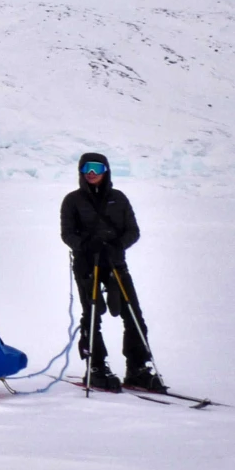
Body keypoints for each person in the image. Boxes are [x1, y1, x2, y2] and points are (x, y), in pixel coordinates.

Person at [60, 151, 162, 394]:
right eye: (87, 169)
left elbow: (133, 231)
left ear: (106, 170)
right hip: (88, 265)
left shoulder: (118, 198)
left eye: (96, 168)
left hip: (115, 264)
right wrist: (86, 245)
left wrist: (117, 245)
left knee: (133, 314)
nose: (92, 173)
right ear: (81, 172)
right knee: (92, 314)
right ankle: (96, 367)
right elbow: (67, 234)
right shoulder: (72, 200)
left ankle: (138, 367)